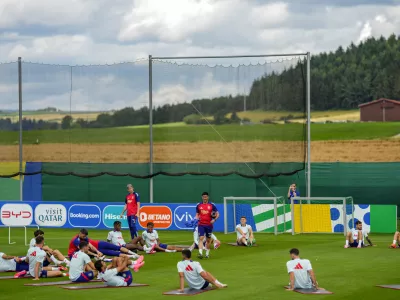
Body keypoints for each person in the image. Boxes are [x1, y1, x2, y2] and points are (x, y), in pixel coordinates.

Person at [195, 192, 219, 259]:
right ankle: (200, 253)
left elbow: (217, 214)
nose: (205, 198)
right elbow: (197, 214)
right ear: (202, 197)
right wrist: (195, 219)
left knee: (208, 240)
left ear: (208, 197)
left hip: (209, 225)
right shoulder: (198, 205)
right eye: (203, 196)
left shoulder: (212, 205)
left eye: (206, 196)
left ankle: (207, 254)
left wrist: (214, 220)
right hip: (201, 224)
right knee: (201, 238)